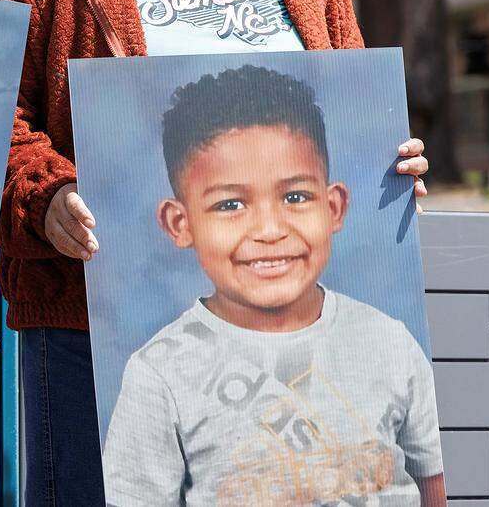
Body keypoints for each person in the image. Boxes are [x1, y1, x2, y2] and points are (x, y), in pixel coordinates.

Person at [0, 0, 431, 505]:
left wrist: (389, 164)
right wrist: (45, 195)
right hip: (95, 328)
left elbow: (350, 97)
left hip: (295, 334)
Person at [102, 65, 446, 506]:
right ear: (180, 223)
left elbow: (433, 485)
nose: (268, 229)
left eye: (295, 197)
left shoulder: (390, 344)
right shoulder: (159, 373)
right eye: (230, 204)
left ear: (334, 206)